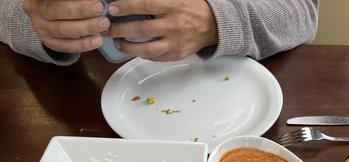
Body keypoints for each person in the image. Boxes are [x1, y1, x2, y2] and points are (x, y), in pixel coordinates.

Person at [0, 0, 318, 65]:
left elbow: (302, 11)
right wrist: (37, 21)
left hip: (228, 98)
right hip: (83, 109)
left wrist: (215, 21)